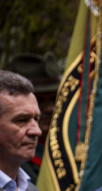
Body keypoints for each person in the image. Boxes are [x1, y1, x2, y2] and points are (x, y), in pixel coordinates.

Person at [5, 53, 61, 183]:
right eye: (39, 100)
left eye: (55, 99)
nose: (49, 109)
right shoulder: (11, 161)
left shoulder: (70, 148)